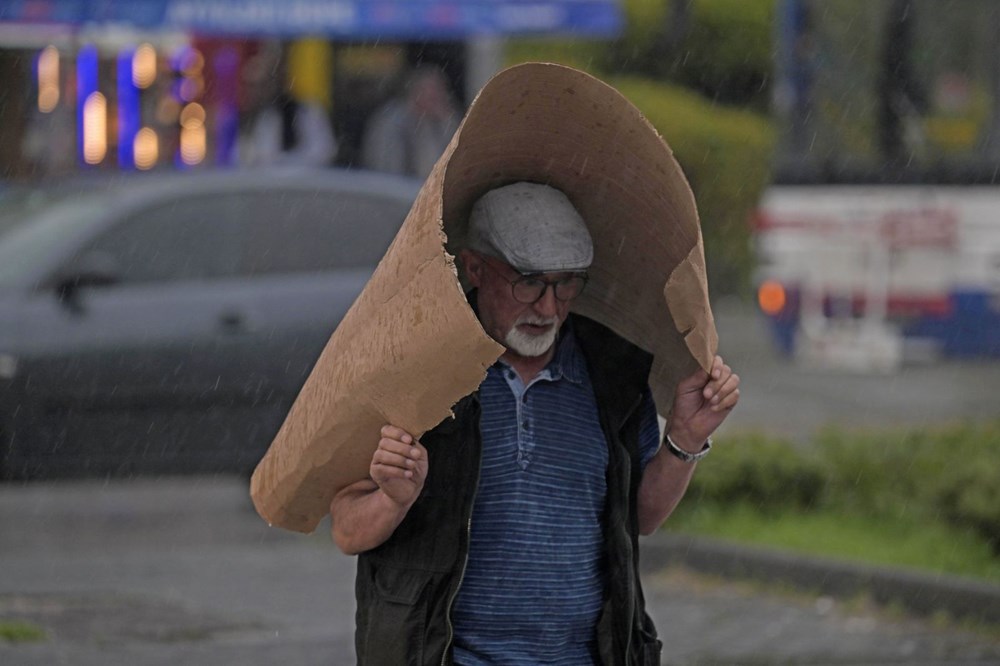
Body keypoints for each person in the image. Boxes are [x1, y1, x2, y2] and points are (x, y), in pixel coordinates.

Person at [329, 182, 740, 665]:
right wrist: (393, 499)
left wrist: (685, 439)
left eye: (566, 283)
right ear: (474, 268)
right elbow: (347, 530)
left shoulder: (614, 375)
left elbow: (640, 518)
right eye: (528, 283)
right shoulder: (415, 370)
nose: (548, 307)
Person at [360, 65, 462, 179]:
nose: (440, 98)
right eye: (433, 93)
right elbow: (386, 166)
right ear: (417, 92)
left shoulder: (439, 121)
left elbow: (458, 158)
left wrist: (448, 121)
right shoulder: (391, 122)